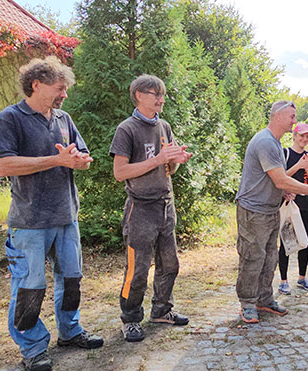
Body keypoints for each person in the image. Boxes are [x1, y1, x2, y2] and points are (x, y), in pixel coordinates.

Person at [0, 56, 103, 371]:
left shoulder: (63, 118)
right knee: (30, 287)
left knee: (71, 280)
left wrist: (80, 160)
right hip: (29, 222)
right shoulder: (10, 118)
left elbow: (82, 156)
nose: (64, 95)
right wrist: (54, 161)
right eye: (59, 88)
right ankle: (32, 349)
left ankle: (70, 332)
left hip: (67, 217)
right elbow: (3, 165)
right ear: (36, 84)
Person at [110, 74, 193, 342]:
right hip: (140, 209)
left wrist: (176, 159)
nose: (161, 99)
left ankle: (161, 310)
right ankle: (130, 318)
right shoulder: (127, 129)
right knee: (138, 269)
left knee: (170, 263)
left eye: (163, 94)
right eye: (155, 94)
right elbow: (120, 172)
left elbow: (168, 167)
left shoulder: (164, 126)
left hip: (165, 205)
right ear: (138, 95)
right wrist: (158, 158)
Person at [235, 100, 308, 324]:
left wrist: (284, 193)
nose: (294, 121)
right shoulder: (266, 142)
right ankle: (248, 303)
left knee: (269, 258)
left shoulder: (276, 144)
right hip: (253, 211)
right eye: (291, 117)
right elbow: (280, 180)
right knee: (252, 257)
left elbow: (276, 180)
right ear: (277, 116)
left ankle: (264, 299)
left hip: (270, 210)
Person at [278, 122, 308, 295]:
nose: (304, 139)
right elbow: (279, 176)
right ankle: (283, 281)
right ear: (294, 136)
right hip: (288, 204)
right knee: (287, 242)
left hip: (306, 205)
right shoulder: (285, 153)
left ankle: (302, 278)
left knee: (305, 242)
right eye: (301, 135)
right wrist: (298, 166)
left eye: (307, 136)